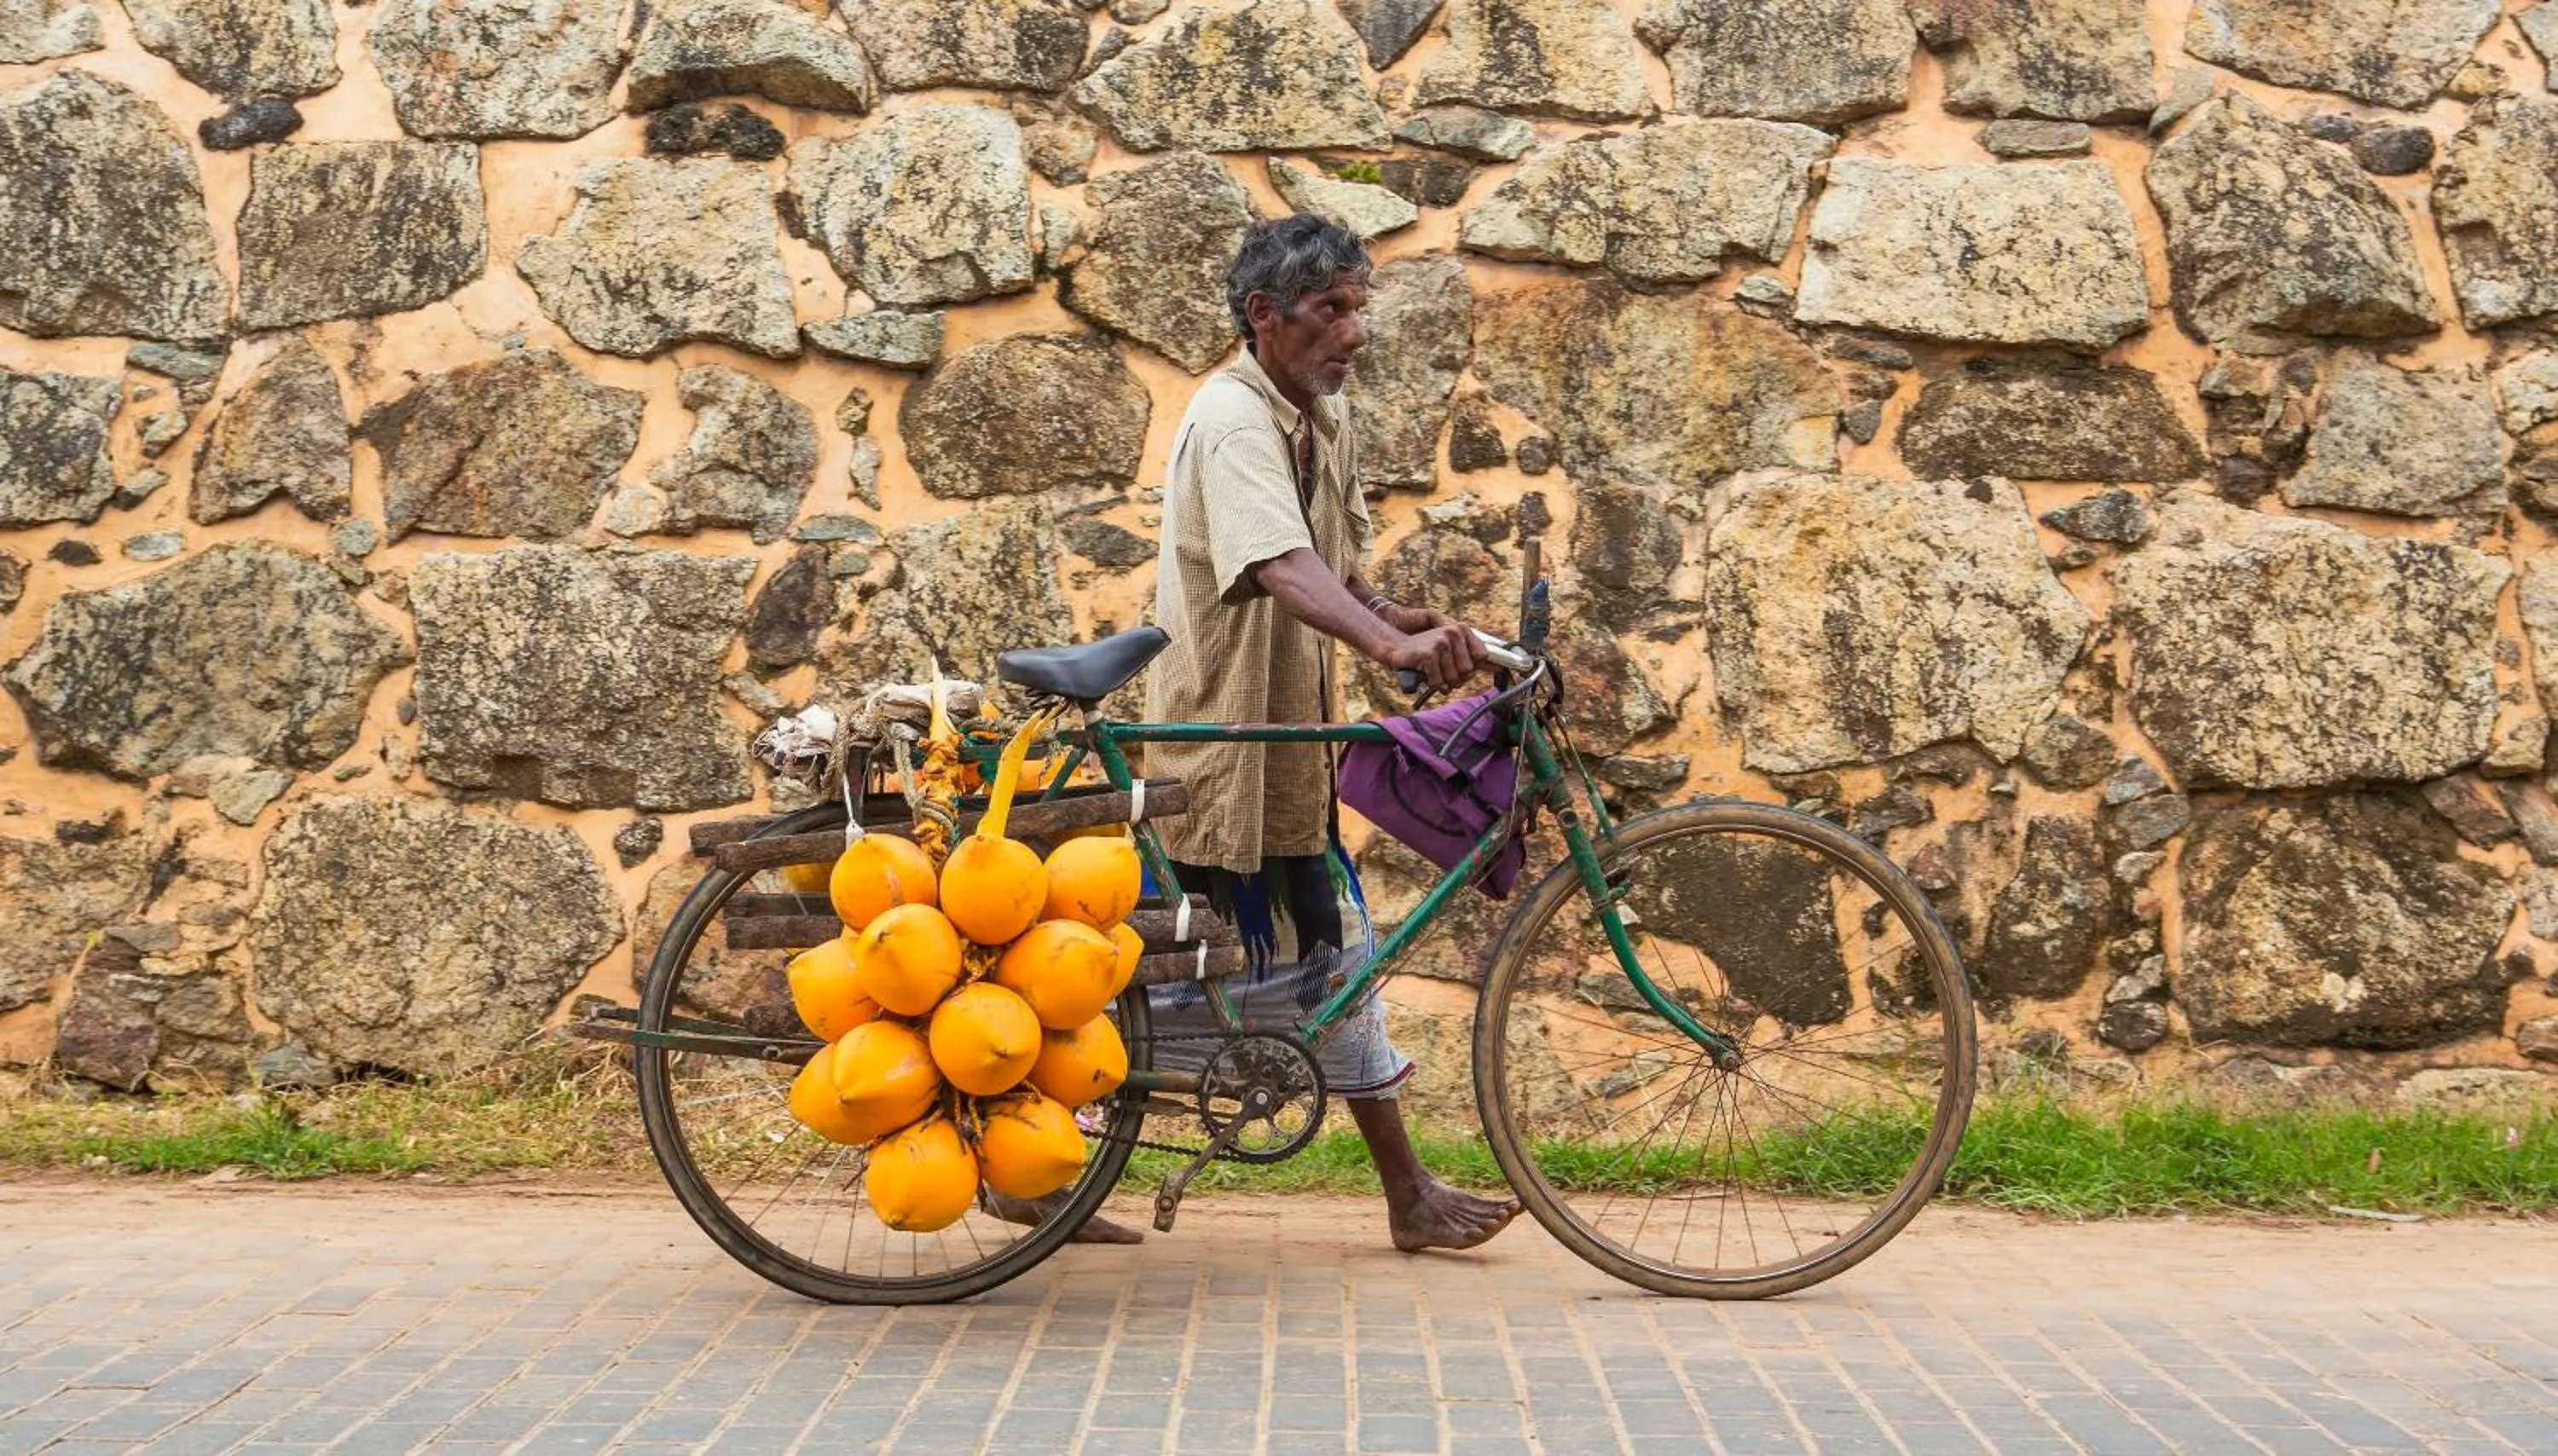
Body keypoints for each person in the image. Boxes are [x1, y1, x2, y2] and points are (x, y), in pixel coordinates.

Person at [1126, 213, 1520, 1254]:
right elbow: (1274, 568)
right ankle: (1038, 1173)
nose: (1355, 331)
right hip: (1220, 737)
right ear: (1264, 317)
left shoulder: (1321, 416)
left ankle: (1407, 1193)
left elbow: (1332, 570)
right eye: (1330, 310)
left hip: (1287, 739)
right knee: (1149, 972)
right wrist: (1387, 656)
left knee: (1331, 956)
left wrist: (1403, 620)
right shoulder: (1233, 416)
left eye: (1360, 307)